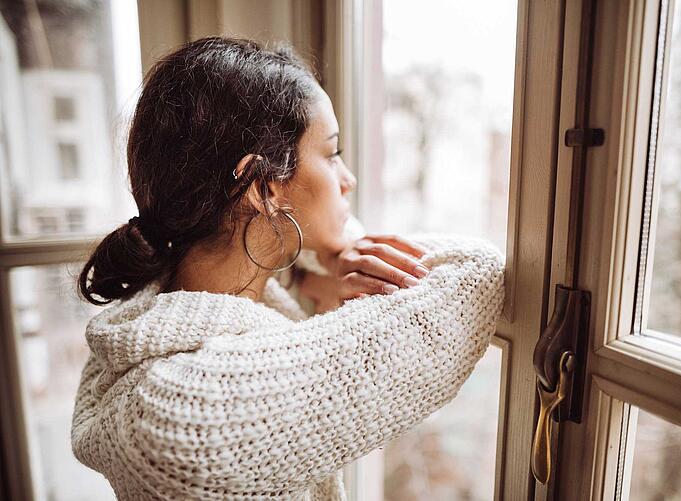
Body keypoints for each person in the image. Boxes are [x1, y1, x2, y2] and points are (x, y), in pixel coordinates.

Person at [72, 36, 506, 500]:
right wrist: (350, 246)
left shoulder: (147, 321)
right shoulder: (193, 405)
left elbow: (263, 259)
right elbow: (477, 272)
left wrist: (318, 257)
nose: (348, 179)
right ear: (264, 188)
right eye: (332, 153)